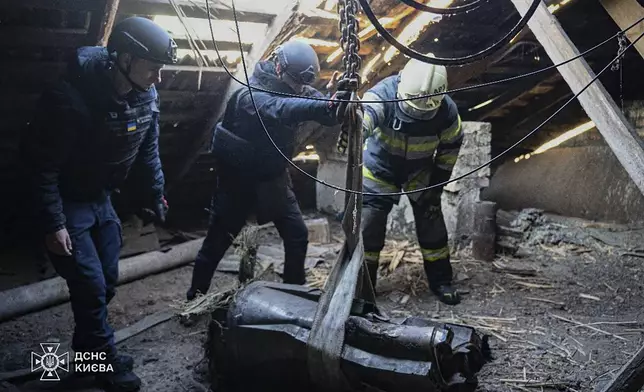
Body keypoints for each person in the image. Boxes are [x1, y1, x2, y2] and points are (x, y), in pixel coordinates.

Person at [21, 17, 177, 391]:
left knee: (105, 282)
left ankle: (86, 362)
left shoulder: (145, 94)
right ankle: (102, 363)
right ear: (123, 59)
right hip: (67, 203)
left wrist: (155, 191)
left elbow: (148, 149)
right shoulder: (68, 100)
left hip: (100, 198)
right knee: (90, 284)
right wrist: (53, 223)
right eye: (153, 68)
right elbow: (40, 168)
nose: (159, 77)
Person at [186, 40, 344, 300]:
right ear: (279, 68)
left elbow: (318, 105)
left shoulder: (296, 85)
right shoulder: (250, 95)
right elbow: (280, 109)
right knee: (216, 245)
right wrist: (323, 106)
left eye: (302, 85)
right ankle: (195, 296)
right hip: (237, 183)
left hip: (272, 178)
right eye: (295, 83)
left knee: (297, 235)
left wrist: (334, 103)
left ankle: (294, 292)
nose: (298, 89)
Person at [358, 57, 464, 305]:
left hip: (420, 172)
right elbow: (367, 113)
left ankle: (441, 281)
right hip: (380, 169)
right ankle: (363, 287)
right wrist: (357, 129)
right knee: (369, 227)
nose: (416, 114)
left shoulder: (447, 112)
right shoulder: (384, 93)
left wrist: (437, 183)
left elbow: (452, 145)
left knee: (432, 223)